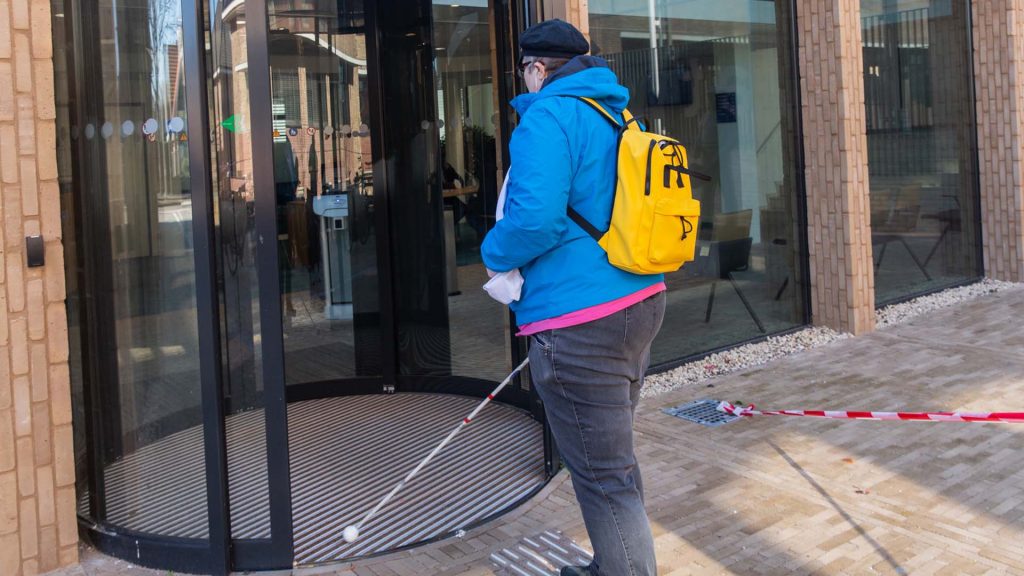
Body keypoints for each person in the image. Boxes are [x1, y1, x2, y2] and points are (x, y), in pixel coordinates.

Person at [480, 19, 665, 576]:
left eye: (524, 70)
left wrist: (489, 249)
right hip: (640, 299)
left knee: (604, 476)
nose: (524, 79)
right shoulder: (618, 114)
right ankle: (614, 563)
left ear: (536, 68)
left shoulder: (547, 119)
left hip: (578, 320)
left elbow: (533, 222)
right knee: (613, 465)